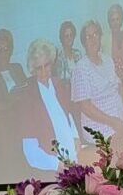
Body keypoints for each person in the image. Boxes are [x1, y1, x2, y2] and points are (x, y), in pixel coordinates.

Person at [16, 39, 81, 174]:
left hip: (73, 157)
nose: (44, 71)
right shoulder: (27, 97)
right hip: (51, 168)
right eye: (39, 68)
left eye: (47, 65)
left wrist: (76, 137)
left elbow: (68, 116)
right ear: (32, 69)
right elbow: (30, 151)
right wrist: (56, 164)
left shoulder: (59, 84)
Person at [70, 19, 123, 143]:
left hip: (120, 119)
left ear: (100, 36)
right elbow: (86, 107)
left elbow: (119, 87)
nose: (93, 39)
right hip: (100, 126)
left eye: (95, 34)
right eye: (88, 37)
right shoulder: (81, 68)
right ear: (84, 42)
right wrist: (112, 121)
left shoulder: (108, 60)